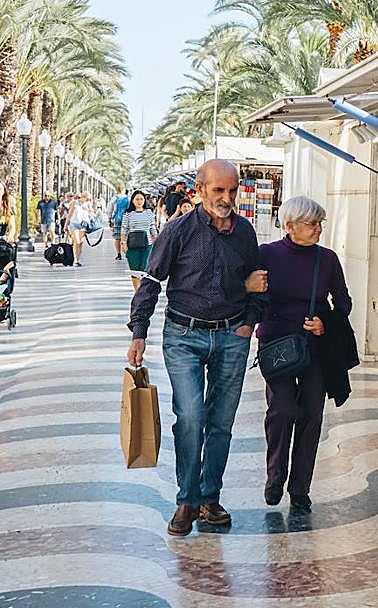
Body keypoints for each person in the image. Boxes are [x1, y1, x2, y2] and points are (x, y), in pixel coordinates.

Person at [126, 159, 266, 538]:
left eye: (232, 191)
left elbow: (257, 281)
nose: (226, 198)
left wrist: (248, 323)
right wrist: (139, 331)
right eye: (219, 190)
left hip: (231, 335)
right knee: (190, 416)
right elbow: (151, 280)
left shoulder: (245, 232)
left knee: (221, 422)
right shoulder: (178, 230)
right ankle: (186, 499)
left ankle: (209, 497)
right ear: (200, 190)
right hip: (183, 336)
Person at [250, 196, 352, 513]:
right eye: (312, 223)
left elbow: (344, 303)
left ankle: (300, 489)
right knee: (281, 410)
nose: (318, 229)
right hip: (276, 346)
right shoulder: (266, 254)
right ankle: (275, 475)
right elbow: (251, 295)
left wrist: (325, 323)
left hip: (314, 347)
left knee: (311, 415)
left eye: (321, 223)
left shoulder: (327, 259)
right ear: (290, 225)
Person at [121, 190, 157, 292]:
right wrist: (123, 243)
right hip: (132, 245)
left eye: (141, 199)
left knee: (144, 269)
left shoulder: (149, 212)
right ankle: (137, 292)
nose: (139, 201)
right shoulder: (128, 214)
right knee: (134, 269)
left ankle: (142, 292)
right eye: (137, 199)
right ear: (132, 201)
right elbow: (124, 229)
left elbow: (152, 227)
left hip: (147, 244)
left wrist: (157, 240)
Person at [67, 192, 95, 266]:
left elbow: (92, 213)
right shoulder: (74, 203)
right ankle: (75, 260)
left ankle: (78, 259)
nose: (87, 200)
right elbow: (70, 214)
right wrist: (66, 225)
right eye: (87, 199)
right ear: (83, 197)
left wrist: (89, 212)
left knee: (80, 243)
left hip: (83, 225)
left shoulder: (88, 204)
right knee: (76, 241)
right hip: (74, 224)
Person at [109, 188, 130, 260]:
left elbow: (110, 210)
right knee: (126, 236)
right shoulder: (129, 199)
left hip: (117, 219)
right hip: (127, 219)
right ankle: (127, 253)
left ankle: (118, 254)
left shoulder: (114, 198)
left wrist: (110, 219)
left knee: (117, 237)